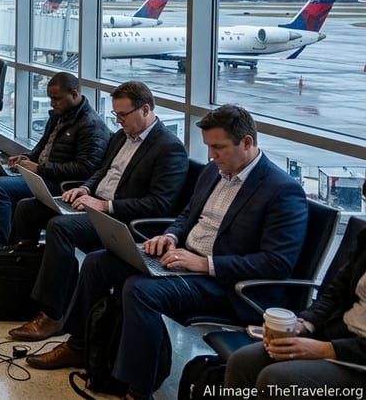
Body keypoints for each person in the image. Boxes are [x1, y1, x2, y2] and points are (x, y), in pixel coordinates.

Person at [28, 105, 309, 400]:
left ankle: (138, 391)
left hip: (226, 285)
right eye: (208, 147)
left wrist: (205, 263)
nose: (211, 155)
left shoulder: (281, 191)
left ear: (247, 142)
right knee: (99, 262)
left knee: (139, 290)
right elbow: (187, 215)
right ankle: (78, 345)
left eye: (218, 147)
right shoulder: (215, 172)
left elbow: (276, 263)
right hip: (186, 260)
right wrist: (170, 236)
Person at [1, 80, 188, 341]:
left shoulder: (169, 148)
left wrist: (106, 205)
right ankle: (14, 282)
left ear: (145, 110)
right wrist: (85, 188)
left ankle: (53, 314)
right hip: (95, 203)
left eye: (123, 114)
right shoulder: (121, 136)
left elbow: (160, 204)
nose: (118, 120)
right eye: (116, 114)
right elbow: (102, 171)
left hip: (122, 219)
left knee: (60, 228)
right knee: (28, 208)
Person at [224, 224, 366, 394]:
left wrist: (328, 350)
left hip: (357, 355)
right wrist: (302, 324)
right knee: (243, 361)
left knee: (278, 379)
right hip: (339, 334)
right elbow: (335, 292)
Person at [0, 72, 111, 248]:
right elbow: (42, 146)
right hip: (42, 175)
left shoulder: (91, 125)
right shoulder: (59, 115)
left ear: (74, 94)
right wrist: (27, 157)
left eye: (56, 98)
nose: (52, 103)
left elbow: (85, 169)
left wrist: (39, 169)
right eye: (50, 98)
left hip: (59, 184)